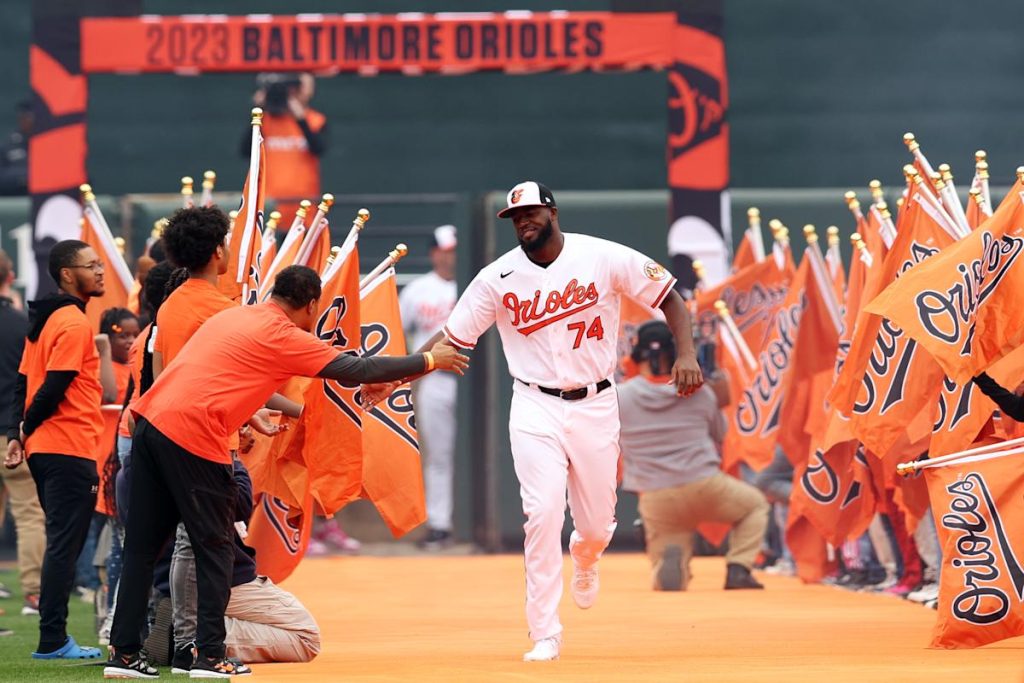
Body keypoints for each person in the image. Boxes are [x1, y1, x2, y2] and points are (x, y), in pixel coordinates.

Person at [365, 181, 703, 662]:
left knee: (597, 525)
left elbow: (669, 295)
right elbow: (453, 335)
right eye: (515, 216)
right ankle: (545, 631)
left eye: (531, 212)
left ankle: (585, 557)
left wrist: (686, 354)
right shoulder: (497, 277)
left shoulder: (602, 256)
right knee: (541, 513)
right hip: (533, 403)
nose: (524, 221)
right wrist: (395, 377)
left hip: (595, 401)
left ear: (552, 212)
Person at [105, 265, 468, 679]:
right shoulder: (284, 335)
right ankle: (207, 655)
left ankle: (124, 656)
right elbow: (358, 370)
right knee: (214, 547)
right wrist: (428, 359)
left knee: (141, 548)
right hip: (193, 435)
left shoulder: (239, 316)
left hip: (149, 423)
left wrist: (252, 411)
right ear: (311, 305)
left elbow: (224, 376)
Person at [5, 240, 107, 659]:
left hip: (50, 448)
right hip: (67, 446)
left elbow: (22, 383)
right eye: (91, 265)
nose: (100, 270)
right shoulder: (71, 322)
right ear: (67, 274)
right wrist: (25, 427)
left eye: (100, 263)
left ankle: (53, 637)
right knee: (65, 544)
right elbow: (55, 384)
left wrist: (16, 432)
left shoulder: (45, 321)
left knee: (60, 541)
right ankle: (52, 640)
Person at [617, 320, 769, 591]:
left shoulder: (619, 397)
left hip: (655, 494)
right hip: (704, 484)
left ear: (637, 354)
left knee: (670, 550)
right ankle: (738, 567)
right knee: (754, 505)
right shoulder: (700, 392)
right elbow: (720, 435)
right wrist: (718, 395)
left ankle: (672, 564)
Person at [169, 455, 320, 673]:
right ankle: (197, 638)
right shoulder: (206, 453)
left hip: (190, 579)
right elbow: (239, 505)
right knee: (307, 638)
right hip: (218, 578)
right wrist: (233, 457)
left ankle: (184, 630)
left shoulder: (148, 462)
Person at [400, 224, 459, 549]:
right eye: (447, 251)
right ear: (435, 252)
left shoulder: (477, 285)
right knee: (439, 455)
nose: (451, 257)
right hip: (436, 378)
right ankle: (440, 524)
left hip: (477, 382)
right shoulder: (418, 289)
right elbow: (395, 329)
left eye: (455, 251)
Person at [0, 249, 43, 617]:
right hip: (12, 432)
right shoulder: (21, 324)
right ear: (10, 277)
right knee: (29, 513)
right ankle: (33, 593)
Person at [244, 73, 327, 224]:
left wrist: (300, 119)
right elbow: (245, 150)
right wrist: (258, 110)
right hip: (268, 204)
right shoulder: (263, 121)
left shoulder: (315, 120)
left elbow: (319, 148)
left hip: (303, 205)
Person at [0, 100, 30, 196]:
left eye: (28, 117)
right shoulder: (9, 145)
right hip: (15, 196)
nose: (25, 120)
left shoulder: (48, 142)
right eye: (22, 117)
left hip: (45, 196)